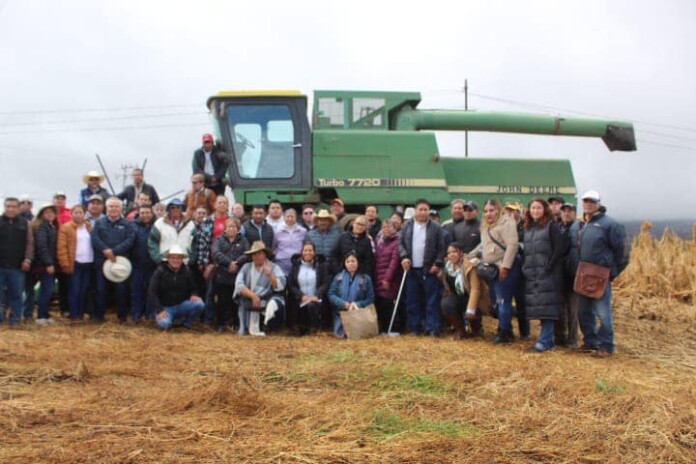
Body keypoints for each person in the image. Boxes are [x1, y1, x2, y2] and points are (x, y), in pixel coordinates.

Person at [576, 190, 630, 358]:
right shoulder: (585, 224)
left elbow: (623, 253)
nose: (588, 204)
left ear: (599, 204)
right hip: (584, 274)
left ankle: (606, 345)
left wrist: (612, 272)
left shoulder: (610, 224)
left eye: (592, 201)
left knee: (603, 312)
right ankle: (590, 341)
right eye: (586, 201)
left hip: (601, 276)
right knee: (583, 312)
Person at [469, 198, 521, 344]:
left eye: (491, 210)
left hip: (505, 267)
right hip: (491, 269)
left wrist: (506, 267)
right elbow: (483, 246)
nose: (488, 214)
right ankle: (506, 328)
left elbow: (512, 245)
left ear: (498, 210)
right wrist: (468, 255)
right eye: (486, 211)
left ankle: (504, 332)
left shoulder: (507, 223)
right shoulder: (486, 226)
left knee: (503, 299)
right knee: (496, 301)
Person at [522, 198, 568, 352]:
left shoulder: (551, 226)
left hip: (548, 273)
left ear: (545, 210)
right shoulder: (528, 228)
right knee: (541, 308)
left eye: (539, 208)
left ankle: (545, 341)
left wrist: (550, 265)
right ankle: (547, 340)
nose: (535, 211)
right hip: (533, 273)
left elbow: (559, 248)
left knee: (548, 308)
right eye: (533, 208)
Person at [399, 199, 446, 336]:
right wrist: (404, 257)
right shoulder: (407, 226)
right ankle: (415, 328)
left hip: (429, 269)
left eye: (426, 210)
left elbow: (441, 248)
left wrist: (437, 264)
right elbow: (400, 244)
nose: (423, 212)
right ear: (415, 210)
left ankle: (433, 328)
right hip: (412, 269)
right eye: (421, 209)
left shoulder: (436, 228)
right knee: (412, 300)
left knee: (432, 301)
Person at [91, 197, 135, 323]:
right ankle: (99, 316)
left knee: (121, 290)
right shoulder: (100, 223)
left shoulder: (127, 224)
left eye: (116, 206)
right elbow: (94, 238)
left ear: (121, 209)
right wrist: (105, 250)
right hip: (102, 262)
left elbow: (130, 240)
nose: (113, 209)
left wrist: (114, 251)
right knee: (100, 290)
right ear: (106, 208)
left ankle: (122, 317)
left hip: (120, 262)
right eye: (111, 206)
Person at [233, 241, 286, 336]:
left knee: (276, 303)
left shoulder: (273, 267)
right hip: (251, 301)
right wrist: (253, 296)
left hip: (267, 299)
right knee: (242, 301)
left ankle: (272, 327)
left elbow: (281, 286)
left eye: (260, 253)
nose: (257, 256)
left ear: (265, 255)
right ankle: (249, 326)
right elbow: (239, 285)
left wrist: (270, 275)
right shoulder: (246, 267)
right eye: (254, 254)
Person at [149, 245, 204, 330]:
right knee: (164, 324)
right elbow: (152, 292)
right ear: (168, 258)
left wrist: (194, 294)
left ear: (182, 259)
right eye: (173, 258)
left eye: (178, 258)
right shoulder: (160, 271)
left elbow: (193, 288)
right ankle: (163, 319)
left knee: (199, 304)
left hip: (181, 305)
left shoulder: (187, 271)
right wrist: (160, 310)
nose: (176, 260)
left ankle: (186, 324)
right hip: (165, 308)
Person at [211, 218, 249, 332]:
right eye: (229, 226)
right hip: (222, 274)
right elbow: (216, 253)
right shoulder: (219, 240)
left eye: (234, 226)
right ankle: (221, 324)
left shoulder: (244, 241)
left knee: (236, 302)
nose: (231, 228)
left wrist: (236, 263)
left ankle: (237, 324)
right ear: (225, 229)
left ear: (238, 229)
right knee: (222, 301)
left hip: (238, 275)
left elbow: (247, 254)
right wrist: (228, 263)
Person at [57, 204, 93, 323]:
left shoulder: (88, 227)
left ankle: (81, 313)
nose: (78, 215)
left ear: (85, 214)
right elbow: (62, 247)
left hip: (88, 262)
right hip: (75, 263)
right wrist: (65, 263)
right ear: (72, 214)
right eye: (76, 212)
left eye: (81, 212)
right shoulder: (66, 228)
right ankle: (74, 314)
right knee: (74, 289)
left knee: (84, 289)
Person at [441, 243, 486, 339]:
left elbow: (475, 289)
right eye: (449, 253)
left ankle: (476, 331)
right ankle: (460, 330)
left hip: (471, 296)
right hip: (457, 295)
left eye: (454, 252)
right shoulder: (447, 266)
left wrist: (471, 308)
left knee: (473, 310)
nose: (451, 255)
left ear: (461, 253)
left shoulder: (470, 265)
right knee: (446, 304)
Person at [0, 198, 33, 326]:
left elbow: (30, 243)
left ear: (18, 208)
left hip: (18, 266)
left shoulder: (26, 223)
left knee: (17, 294)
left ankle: (14, 319)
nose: (11, 209)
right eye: (8, 206)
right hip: (1, 265)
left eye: (14, 206)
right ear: (4, 207)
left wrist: (28, 259)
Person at [328, 251, 375, 338]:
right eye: (348, 261)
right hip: (342, 313)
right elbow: (331, 294)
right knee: (340, 335)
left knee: (359, 335)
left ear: (358, 262)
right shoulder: (338, 278)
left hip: (359, 313)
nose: (350, 264)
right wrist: (343, 303)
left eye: (353, 261)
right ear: (344, 264)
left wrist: (357, 304)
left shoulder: (366, 279)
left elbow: (370, 298)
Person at [287, 242, 330, 334]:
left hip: (315, 298)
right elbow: (291, 284)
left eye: (310, 250)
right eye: (305, 250)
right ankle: (295, 328)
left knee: (312, 305)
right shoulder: (295, 266)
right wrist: (301, 295)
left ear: (314, 252)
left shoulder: (321, 266)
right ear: (302, 252)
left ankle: (315, 328)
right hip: (300, 298)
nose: (308, 253)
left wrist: (317, 295)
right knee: (291, 303)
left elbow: (325, 283)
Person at [30, 204, 59, 325]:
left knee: (48, 290)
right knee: (46, 290)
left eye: (52, 212)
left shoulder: (51, 226)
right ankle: (41, 316)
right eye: (47, 212)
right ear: (42, 214)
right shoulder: (42, 227)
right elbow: (41, 247)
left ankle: (45, 314)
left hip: (47, 263)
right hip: (44, 265)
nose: (50, 214)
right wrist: (48, 263)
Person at [557, 203, 581, 347]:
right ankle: (560, 337)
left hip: (574, 275)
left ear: (574, 213)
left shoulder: (580, 228)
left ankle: (572, 340)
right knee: (560, 308)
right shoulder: (558, 228)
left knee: (573, 310)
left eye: (569, 211)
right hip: (560, 275)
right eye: (564, 211)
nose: (566, 213)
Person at [374, 219, 403, 333]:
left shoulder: (397, 242)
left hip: (390, 279)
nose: (386, 229)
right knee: (380, 304)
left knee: (388, 304)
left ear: (394, 229)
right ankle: (383, 329)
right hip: (378, 276)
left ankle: (392, 329)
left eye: (389, 227)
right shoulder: (380, 241)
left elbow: (394, 263)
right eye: (384, 227)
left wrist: (387, 279)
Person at [130, 205, 157, 322]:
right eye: (142, 213)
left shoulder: (157, 226)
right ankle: (136, 314)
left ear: (152, 213)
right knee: (136, 290)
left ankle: (150, 315)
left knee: (151, 290)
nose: (145, 215)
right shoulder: (133, 226)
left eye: (147, 213)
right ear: (139, 214)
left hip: (152, 264)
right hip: (137, 264)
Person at [148, 198, 195, 264]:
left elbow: (195, 243)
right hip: (164, 262)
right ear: (168, 209)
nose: (175, 209)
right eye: (172, 207)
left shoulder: (190, 224)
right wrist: (158, 259)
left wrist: (191, 259)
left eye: (178, 207)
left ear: (182, 209)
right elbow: (152, 243)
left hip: (184, 262)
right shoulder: (159, 223)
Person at [272, 208, 307, 276]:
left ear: (296, 218)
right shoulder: (278, 232)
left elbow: (305, 246)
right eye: (288, 216)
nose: (290, 219)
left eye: (292, 217)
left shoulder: (303, 231)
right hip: (281, 265)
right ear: (284, 217)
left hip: (297, 265)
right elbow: (274, 247)